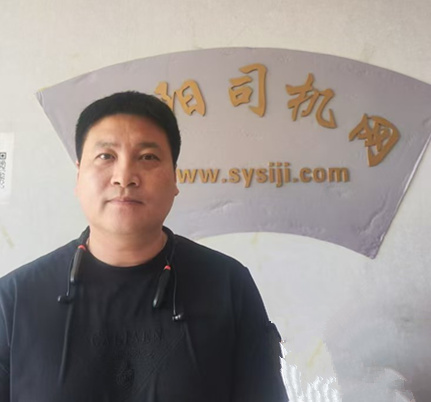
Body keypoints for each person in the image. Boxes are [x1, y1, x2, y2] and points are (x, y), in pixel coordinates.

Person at [0, 91, 288, 402]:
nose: (124, 177)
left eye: (148, 157)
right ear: (79, 175)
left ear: (175, 178)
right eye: (106, 156)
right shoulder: (14, 299)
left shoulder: (228, 285)